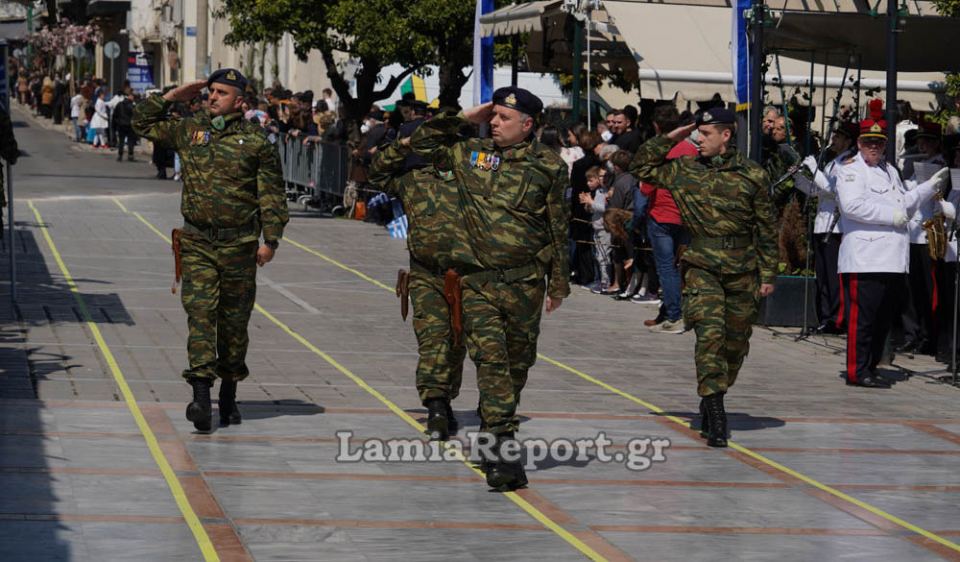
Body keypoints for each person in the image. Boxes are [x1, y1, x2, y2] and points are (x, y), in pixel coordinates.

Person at [409, 87, 569, 491]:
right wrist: (466, 117)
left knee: (517, 365)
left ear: (528, 125)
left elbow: (557, 226)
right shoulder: (471, 154)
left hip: (525, 284)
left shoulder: (549, 166)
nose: (495, 123)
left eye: (503, 118)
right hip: (477, 281)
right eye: (493, 116)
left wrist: (559, 283)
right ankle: (502, 450)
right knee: (491, 362)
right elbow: (422, 141)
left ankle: (490, 424)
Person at [132, 68, 289, 431]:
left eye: (221, 92)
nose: (212, 97)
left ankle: (229, 392)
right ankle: (201, 396)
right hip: (198, 241)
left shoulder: (256, 142)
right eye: (210, 91)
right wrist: (174, 95)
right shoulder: (191, 130)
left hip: (240, 245)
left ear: (240, 100)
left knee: (233, 324)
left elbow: (271, 194)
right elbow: (142, 123)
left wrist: (271, 241)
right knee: (200, 313)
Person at [631, 108, 778, 448]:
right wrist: (673, 136)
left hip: (742, 269)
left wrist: (768, 273)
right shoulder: (685, 170)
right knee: (709, 336)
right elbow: (641, 166)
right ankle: (715, 408)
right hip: (702, 266)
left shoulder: (752, 174)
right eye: (696, 133)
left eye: (705, 133)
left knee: (735, 344)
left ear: (726, 135)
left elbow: (767, 227)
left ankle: (715, 389)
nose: (699, 139)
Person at [368, 125, 473, 442]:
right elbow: (374, 171)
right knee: (432, 339)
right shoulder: (410, 179)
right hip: (426, 274)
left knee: (456, 343)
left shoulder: (472, 178)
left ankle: (447, 397)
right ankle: (436, 405)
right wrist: (404, 143)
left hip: (467, 275)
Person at [836, 99, 948, 389]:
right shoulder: (850, 170)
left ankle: (870, 366)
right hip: (866, 257)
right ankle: (856, 371)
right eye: (868, 142)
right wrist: (892, 216)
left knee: (883, 320)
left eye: (878, 143)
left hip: (893, 260)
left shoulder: (890, 171)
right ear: (859, 143)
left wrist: (928, 187)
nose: (873, 147)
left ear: (884, 145)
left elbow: (904, 203)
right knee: (862, 320)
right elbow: (852, 207)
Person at [796, 121, 859, 335]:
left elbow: (833, 190)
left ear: (849, 141)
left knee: (834, 277)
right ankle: (824, 317)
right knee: (822, 275)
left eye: (839, 136)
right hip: (822, 224)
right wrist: (800, 178)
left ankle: (836, 319)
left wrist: (814, 168)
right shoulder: (834, 162)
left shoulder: (849, 163)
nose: (834, 140)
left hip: (836, 226)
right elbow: (818, 191)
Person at [641, 105, 697, 332]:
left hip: (661, 214)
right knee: (675, 266)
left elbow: (646, 188)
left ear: (656, 126)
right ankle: (666, 311)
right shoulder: (691, 150)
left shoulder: (657, 151)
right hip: (683, 215)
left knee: (666, 268)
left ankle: (675, 315)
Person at [113, 91, 137, 162]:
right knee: (130, 141)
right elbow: (135, 115)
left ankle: (120, 155)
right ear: (130, 96)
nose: (133, 98)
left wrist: (117, 123)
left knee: (121, 141)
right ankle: (130, 155)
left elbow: (115, 115)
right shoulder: (132, 105)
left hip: (121, 125)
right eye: (133, 96)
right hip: (130, 125)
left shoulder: (119, 104)